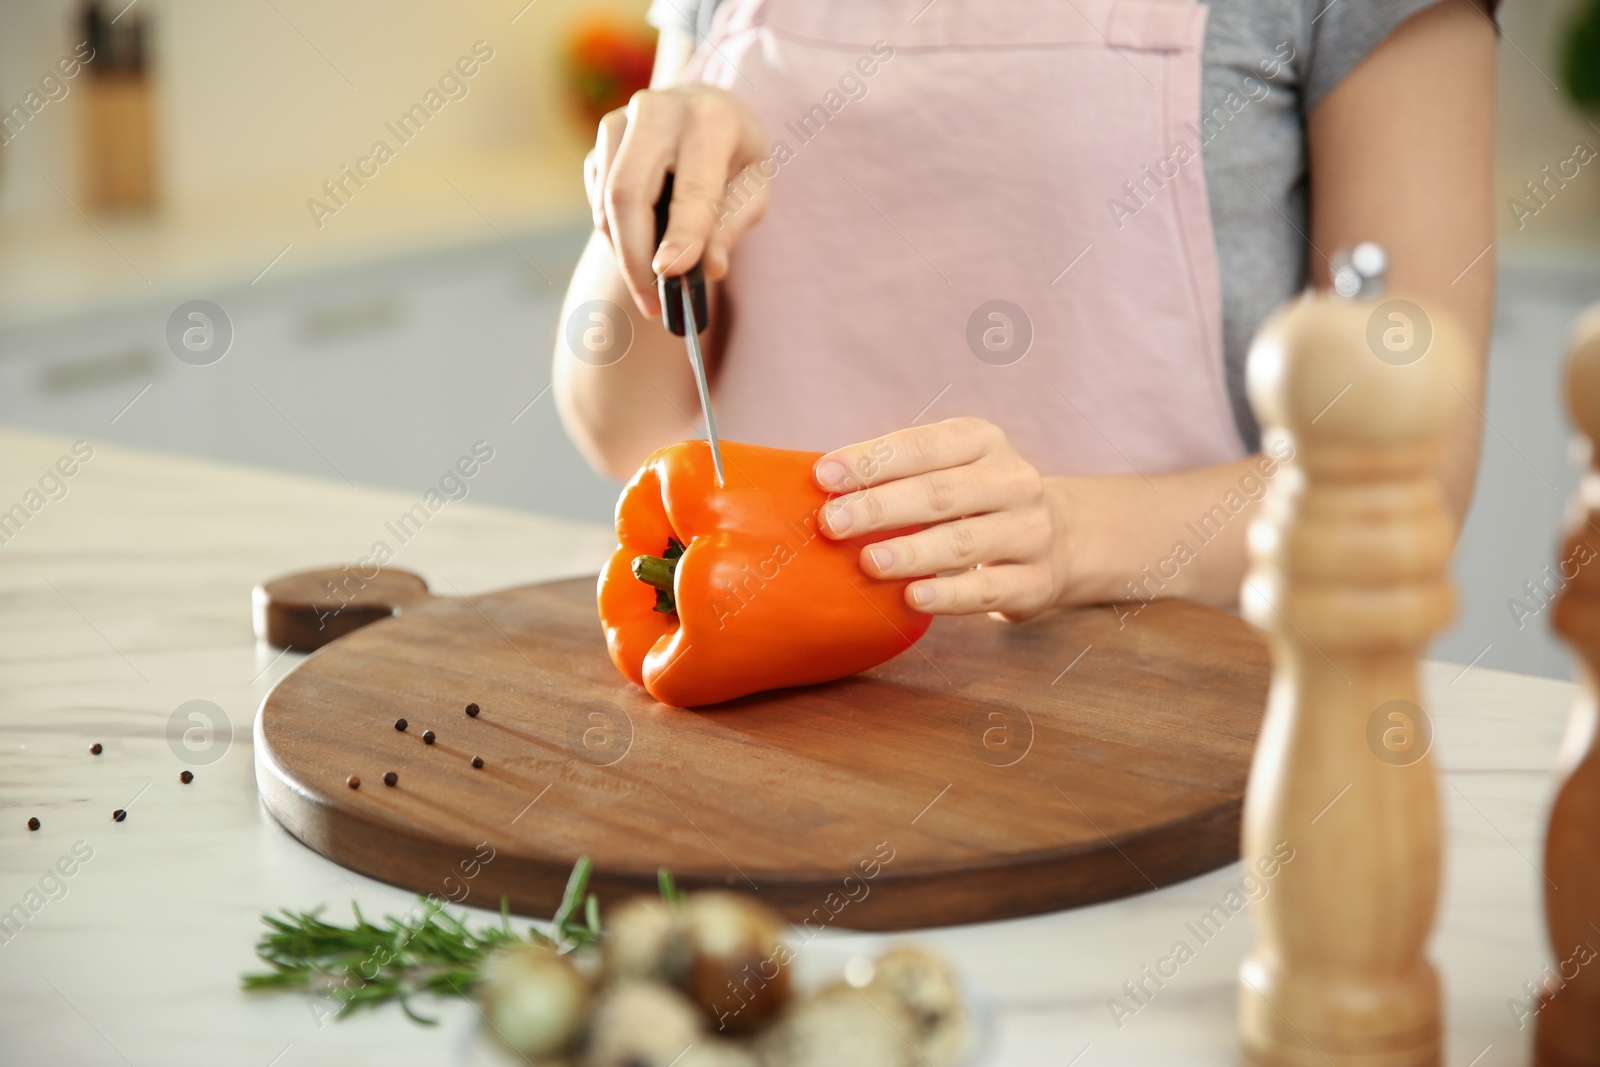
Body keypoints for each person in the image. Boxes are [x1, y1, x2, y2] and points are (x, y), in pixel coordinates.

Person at [553, 0, 1494, 621]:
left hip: (1172, 733)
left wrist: (1068, 535)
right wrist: (657, 177)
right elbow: (628, 426)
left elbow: (1410, 476)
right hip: (768, 700)